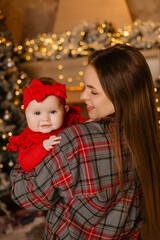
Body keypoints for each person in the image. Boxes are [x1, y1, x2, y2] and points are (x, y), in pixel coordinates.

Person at [10, 44, 160, 239]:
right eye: (84, 87)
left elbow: (30, 197)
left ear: (121, 95)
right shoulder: (147, 135)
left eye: (93, 92)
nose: (82, 96)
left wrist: (23, 163)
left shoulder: (76, 140)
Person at [7, 77, 87, 171]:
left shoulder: (72, 121)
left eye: (52, 112)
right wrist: (43, 147)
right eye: (37, 113)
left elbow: (90, 128)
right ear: (26, 115)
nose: (45, 119)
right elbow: (25, 164)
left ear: (65, 111)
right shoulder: (28, 139)